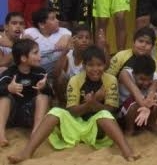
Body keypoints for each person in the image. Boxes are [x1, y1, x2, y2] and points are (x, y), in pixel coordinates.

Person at [7, 46, 138, 163]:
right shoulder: (75, 80)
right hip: (75, 127)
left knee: (104, 114)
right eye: (90, 65)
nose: (95, 69)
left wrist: (94, 103)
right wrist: (89, 104)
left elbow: (112, 110)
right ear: (83, 66)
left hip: (97, 131)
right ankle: (27, 152)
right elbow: (72, 111)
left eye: (99, 65)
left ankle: (127, 151)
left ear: (105, 65)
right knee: (55, 111)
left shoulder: (110, 80)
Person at [0, 38, 52, 147]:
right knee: (4, 98)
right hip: (11, 116)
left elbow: (51, 94)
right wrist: (9, 88)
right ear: (23, 58)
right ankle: (1, 134)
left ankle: (36, 132)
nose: (39, 56)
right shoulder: (9, 73)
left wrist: (44, 87)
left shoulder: (40, 72)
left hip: (30, 115)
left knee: (43, 96)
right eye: (35, 53)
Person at [117, 54, 157, 135]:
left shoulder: (155, 76)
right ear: (133, 73)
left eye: (149, 79)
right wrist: (146, 105)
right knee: (134, 102)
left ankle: (150, 124)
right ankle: (129, 130)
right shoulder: (125, 74)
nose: (146, 83)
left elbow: (152, 93)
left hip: (144, 109)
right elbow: (136, 93)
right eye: (142, 79)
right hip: (123, 114)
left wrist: (148, 103)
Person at [53, 25, 95, 106]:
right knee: (59, 78)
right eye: (80, 37)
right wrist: (65, 51)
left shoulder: (92, 56)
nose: (84, 40)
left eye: (87, 38)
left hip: (87, 88)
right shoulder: (68, 55)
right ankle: (63, 104)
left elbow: (105, 68)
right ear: (73, 40)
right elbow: (56, 74)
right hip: (69, 89)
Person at [24, 8, 72, 77]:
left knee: (62, 74)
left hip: (56, 73)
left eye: (56, 18)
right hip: (34, 73)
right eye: (53, 19)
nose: (57, 21)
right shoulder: (30, 33)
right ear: (41, 24)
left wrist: (67, 37)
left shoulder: (64, 32)